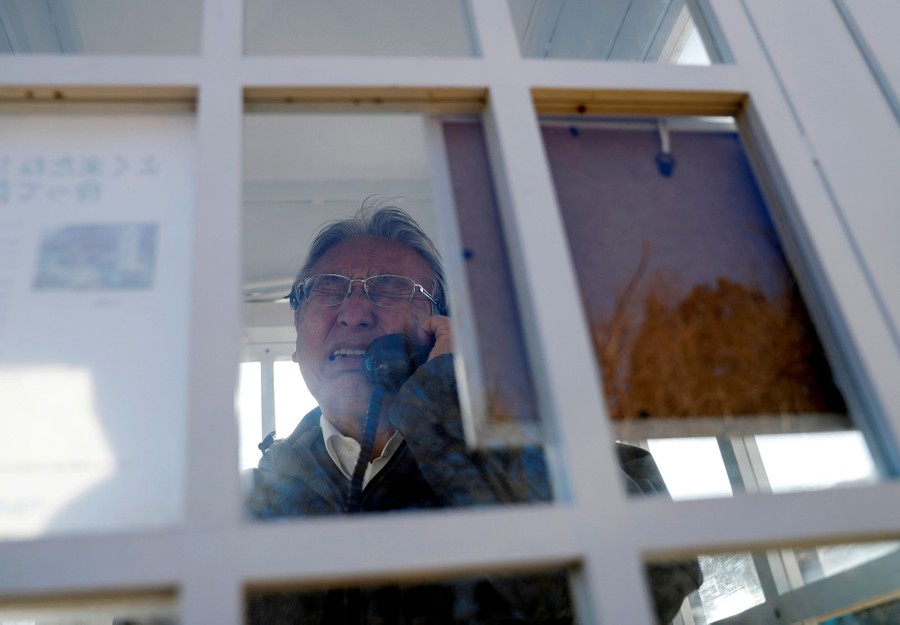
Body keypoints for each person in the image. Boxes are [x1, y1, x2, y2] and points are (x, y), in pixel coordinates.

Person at [244, 203, 702, 623]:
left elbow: (648, 588)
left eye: (391, 289)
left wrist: (454, 418)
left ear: (439, 330)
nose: (356, 311)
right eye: (328, 289)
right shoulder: (243, 506)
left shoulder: (564, 459)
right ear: (297, 335)